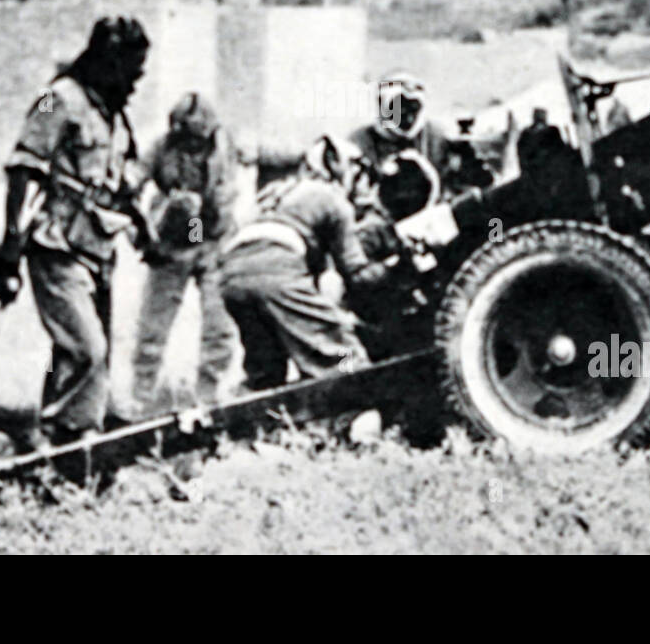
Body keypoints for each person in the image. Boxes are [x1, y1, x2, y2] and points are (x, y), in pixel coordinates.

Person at [0, 16, 151, 444]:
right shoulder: (55, 99)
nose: (135, 84)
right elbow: (25, 168)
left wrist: (143, 228)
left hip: (97, 250)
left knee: (81, 354)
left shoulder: (115, 116)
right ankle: (75, 436)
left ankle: (58, 444)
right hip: (56, 246)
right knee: (87, 349)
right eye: (131, 71)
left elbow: (119, 184)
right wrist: (10, 249)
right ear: (108, 62)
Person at [220, 135, 394, 391]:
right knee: (344, 356)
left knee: (266, 371)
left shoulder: (273, 192)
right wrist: (393, 267)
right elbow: (356, 273)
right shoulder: (332, 198)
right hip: (276, 269)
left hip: (231, 275)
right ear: (342, 169)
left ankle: (249, 410)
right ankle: (356, 403)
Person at [132, 92, 240, 415]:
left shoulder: (225, 147)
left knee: (218, 324)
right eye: (186, 140)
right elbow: (134, 177)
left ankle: (208, 396)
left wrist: (202, 208)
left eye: (198, 140)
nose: (192, 147)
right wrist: (153, 215)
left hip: (212, 240)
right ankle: (141, 397)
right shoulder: (160, 146)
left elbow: (226, 194)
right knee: (153, 326)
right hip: (172, 242)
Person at [349, 71, 490, 198]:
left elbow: (460, 184)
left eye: (414, 108)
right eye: (399, 108)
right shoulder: (359, 142)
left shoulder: (438, 136)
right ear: (383, 106)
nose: (408, 117)